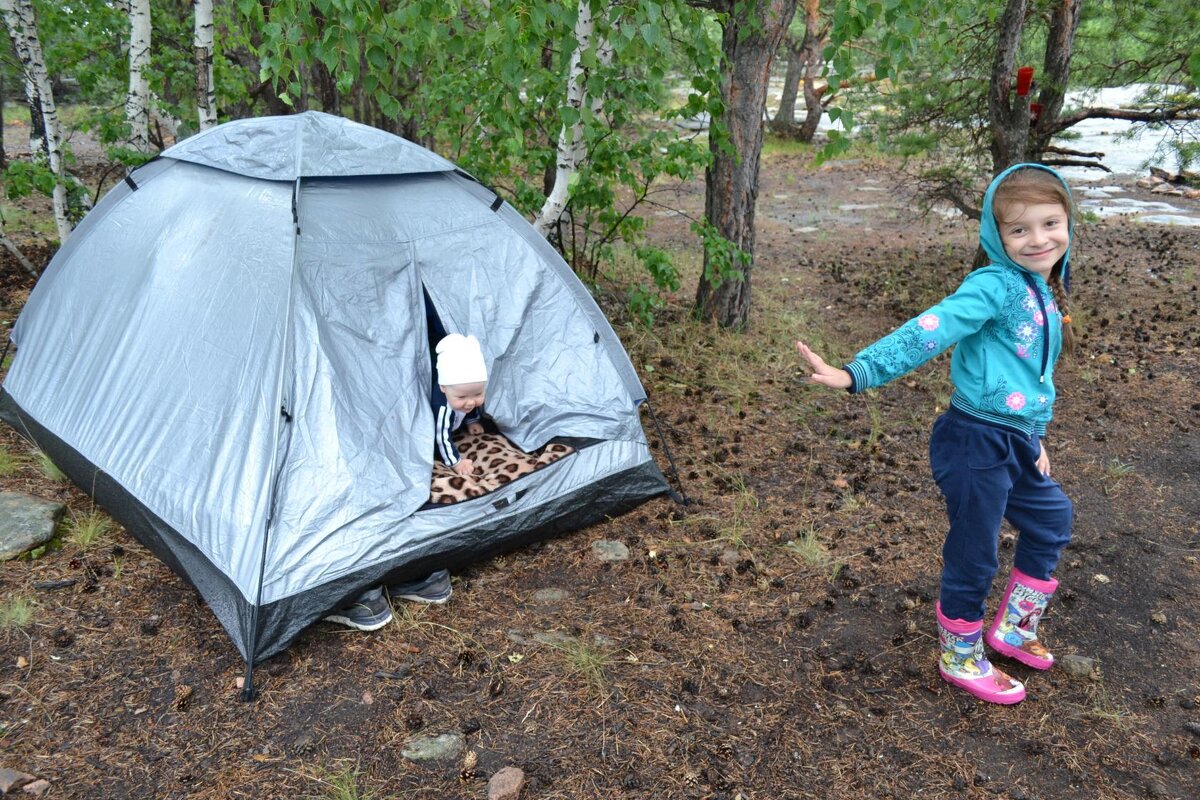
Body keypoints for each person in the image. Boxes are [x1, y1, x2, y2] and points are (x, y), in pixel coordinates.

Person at [796, 163, 1077, 704]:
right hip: (973, 440)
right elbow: (932, 328)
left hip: (1015, 441)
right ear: (997, 236)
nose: (1038, 239)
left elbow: (1035, 376)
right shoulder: (994, 285)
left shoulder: (1045, 289)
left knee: (1052, 518)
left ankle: (1014, 628)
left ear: (1069, 225)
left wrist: (1036, 436)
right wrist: (857, 372)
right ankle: (960, 653)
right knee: (975, 550)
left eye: (1050, 223)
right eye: (1020, 229)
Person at [322, 335, 488, 631]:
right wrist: (456, 462)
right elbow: (441, 437)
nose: (470, 401)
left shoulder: (465, 394)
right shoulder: (442, 408)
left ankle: (419, 574)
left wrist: (474, 416)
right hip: (441, 443)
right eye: (462, 397)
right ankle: (415, 574)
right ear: (443, 388)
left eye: (477, 394)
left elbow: (471, 403)